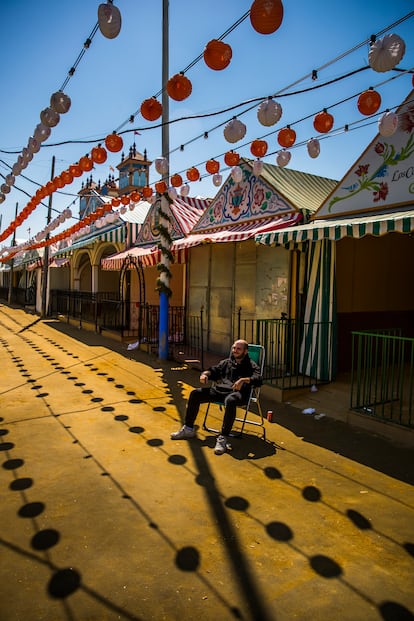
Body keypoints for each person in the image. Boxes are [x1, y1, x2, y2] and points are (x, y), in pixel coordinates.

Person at [171, 339, 262, 455]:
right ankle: (188, 429)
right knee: (196, 393)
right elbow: (213, 370)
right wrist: (205, 374)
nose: (235, 351)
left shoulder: (251, 365)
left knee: (230, 400)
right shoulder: (227, 362)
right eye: (234, 348)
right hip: (220, 391)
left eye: (238, 349)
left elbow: (258, 379)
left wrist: (244, 380)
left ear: (245, 351)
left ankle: (223, 437)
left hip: (238, 394)